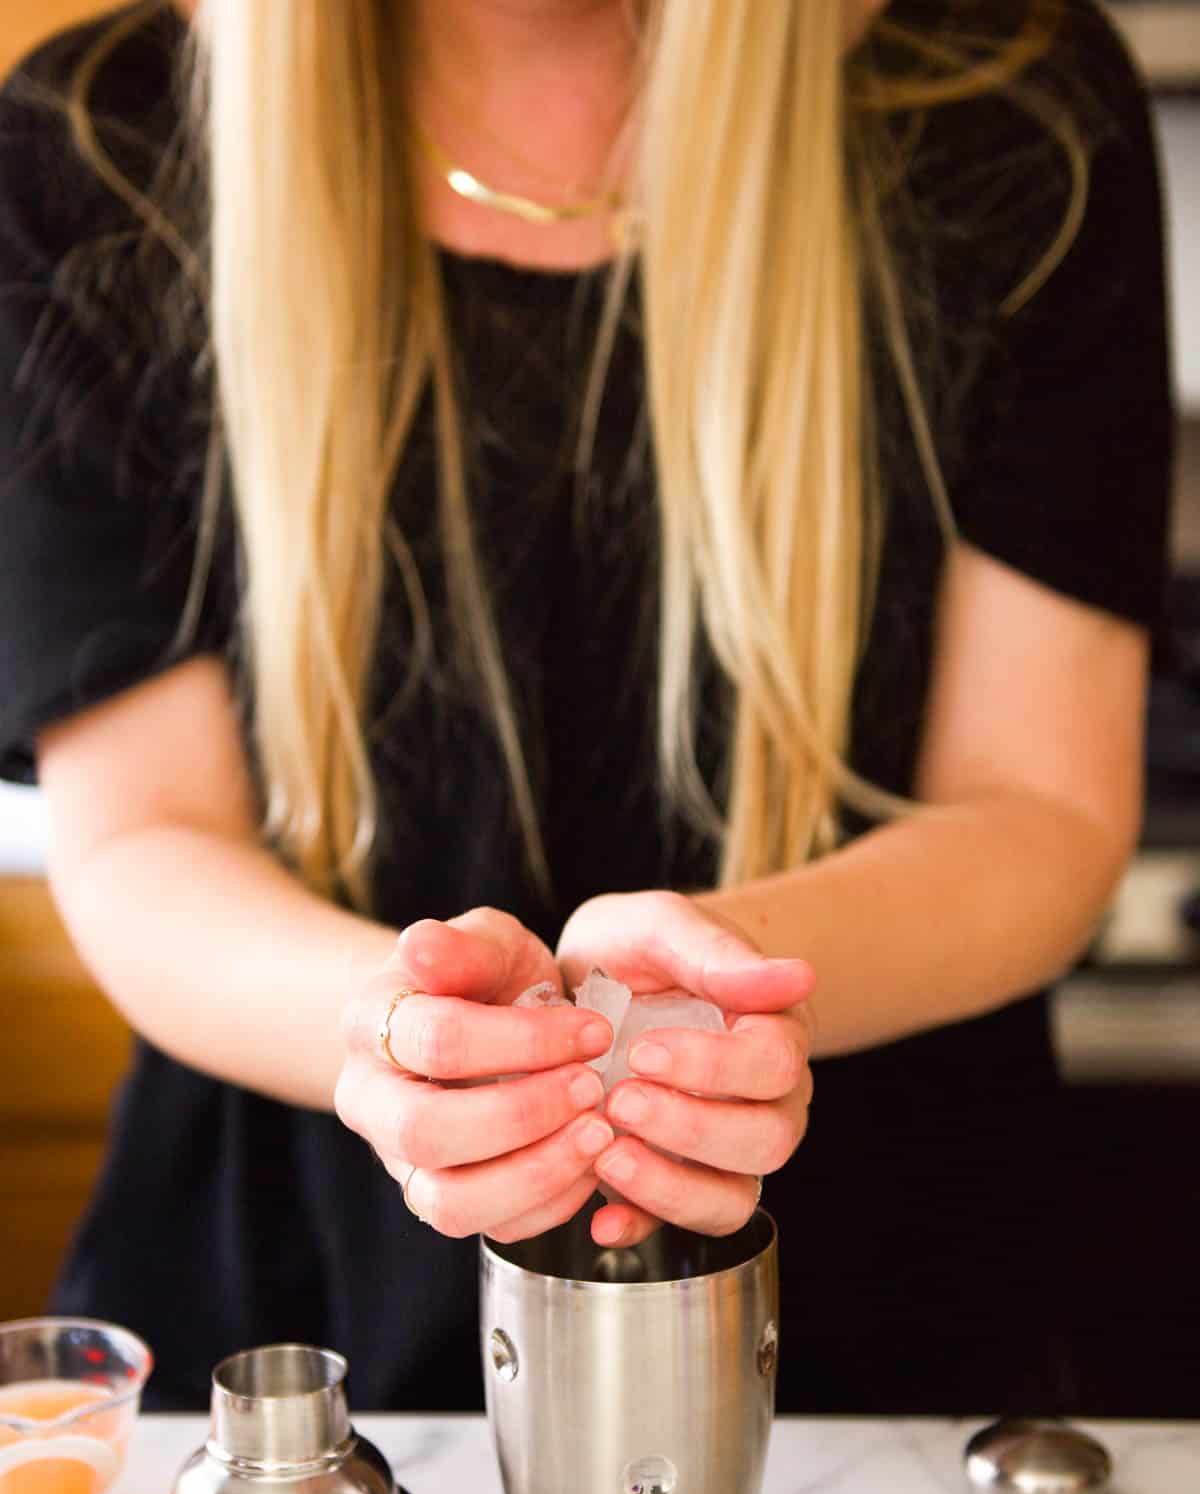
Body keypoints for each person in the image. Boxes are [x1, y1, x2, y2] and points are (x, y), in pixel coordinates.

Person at [0, 0, 1172, 1415]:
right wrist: (393, 1031)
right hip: (283, 1349)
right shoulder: (94, 144)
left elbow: (1041, 809)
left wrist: (730, 973)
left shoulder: (1012, 99)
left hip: (876, 1367)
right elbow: (141, 841)